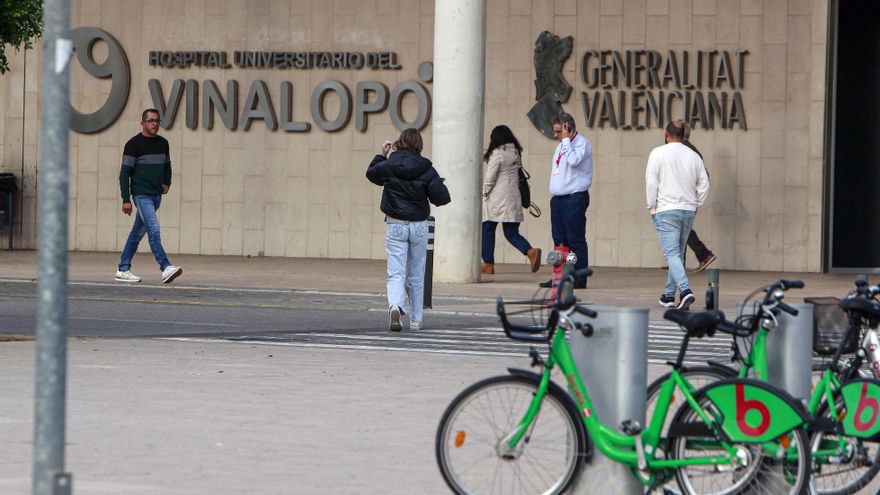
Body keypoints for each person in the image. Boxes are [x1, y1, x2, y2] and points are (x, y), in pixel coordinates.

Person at [367, 128, 451, 332]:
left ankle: (395, 306)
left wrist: (381, 155)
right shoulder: (426, 168)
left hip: (396, 223)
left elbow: (371, 174)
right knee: (416, 273)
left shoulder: (389, 165)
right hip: (419, 225)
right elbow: (442, 198)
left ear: (399, 142)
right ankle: (416, 320)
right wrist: (437, 184)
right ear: (419, 145)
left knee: (396, 272)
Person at [646, 120, 710, 310]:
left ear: (666, 134)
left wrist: (652, 207)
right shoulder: (693, 156)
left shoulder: (657, 153)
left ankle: (684, 291)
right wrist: (696, 203)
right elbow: (704, 184)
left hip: (666, 209)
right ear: (683, 136)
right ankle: (668, 295)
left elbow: (651, 183)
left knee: (672, 253)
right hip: (688, 210)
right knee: (677, 254)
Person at [115, 109, 183, 284]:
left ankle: (123, 269)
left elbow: (167, 165)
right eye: (151, 120)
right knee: (153, 228)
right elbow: (124, 173)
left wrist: (167, 182)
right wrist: (125, 199)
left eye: (157, 121)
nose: (155, 124)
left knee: (136, 233)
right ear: (143, 123)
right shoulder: (133, 144)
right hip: (141, 195)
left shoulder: (163, 143)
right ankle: (165, 266)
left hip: (155, 196)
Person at [538, 112, 592, 289]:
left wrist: (567, 140)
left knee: (575, 239)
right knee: (559, 240)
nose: (556, 135)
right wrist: (564, 141)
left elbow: (574, 161)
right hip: (559, 199)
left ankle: (579, 277)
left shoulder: (581, 144)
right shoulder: (561, 145)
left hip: (574, 198)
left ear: (568, 128)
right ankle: (559, 276)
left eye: (559, 131)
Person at [480, 125, 541, 275]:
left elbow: (489, 178)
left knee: (487, 229)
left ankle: (488, 264)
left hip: (497, 199)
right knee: (511, 232)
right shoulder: (516, 152)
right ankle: (530, 251)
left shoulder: (498, 153)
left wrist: (484, 193)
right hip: (513, 198)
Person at [681, 123, 717, 272]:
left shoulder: (685, 151)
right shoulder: (690, 149)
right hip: (687, 196)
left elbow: (703, 176)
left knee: (682, 228)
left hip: (685, 196)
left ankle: (704, 254)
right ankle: (678, 264)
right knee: (681, 228)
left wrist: (694, 195)